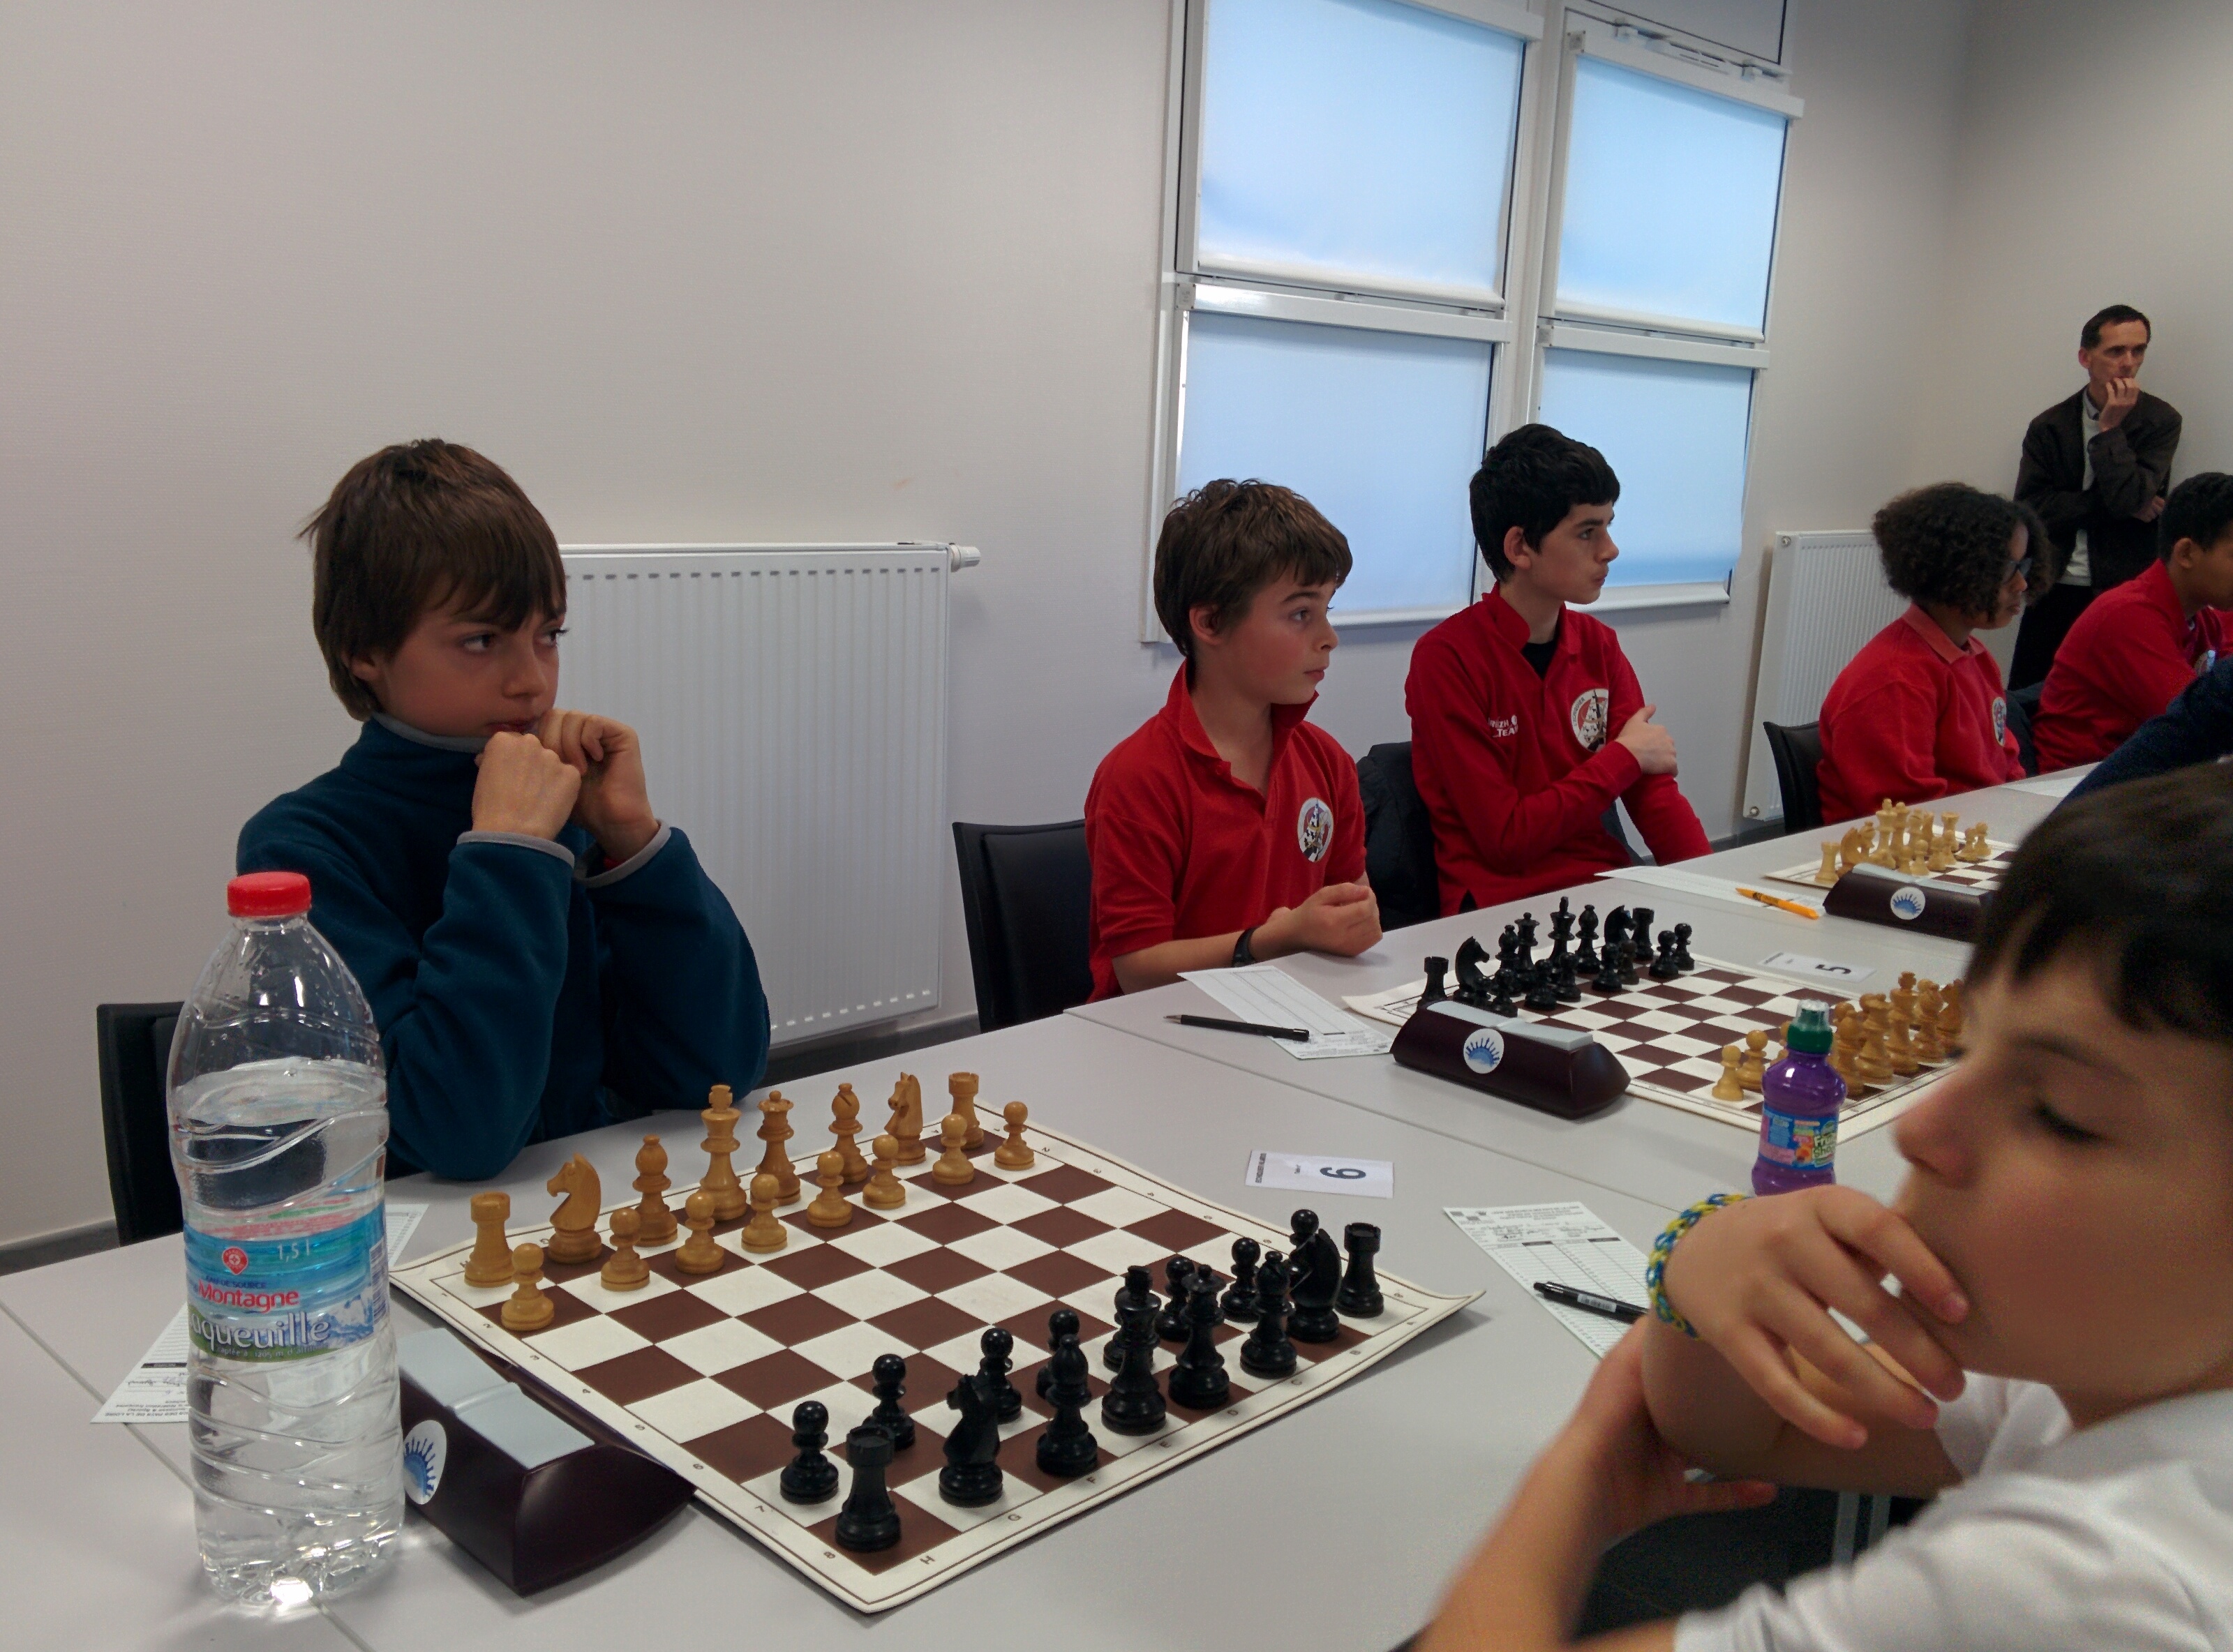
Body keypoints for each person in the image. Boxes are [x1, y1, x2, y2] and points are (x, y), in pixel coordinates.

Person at [1417, 764, 2233, 1651]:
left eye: (2058, 1113)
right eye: (1967, 1050)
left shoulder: (2080, 1585)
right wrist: (1694, 1273)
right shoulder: (2098, 1373)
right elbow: (1740, 1433)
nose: (1918, 1127)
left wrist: (1579, 1471)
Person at [239, 440, 770, 1180]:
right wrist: (507, 854)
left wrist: (637, 849)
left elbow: (714, 1073)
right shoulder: (304, 845)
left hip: (582, 1202)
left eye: (548, 636)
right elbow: (456, 1134)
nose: (532, 682)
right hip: (427, 1232)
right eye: (482, 640)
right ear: (365, 650)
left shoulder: (559, 802)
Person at [1084, 479, 1379, 998]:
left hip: (1293, 1013)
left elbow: (1351, 904)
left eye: (1327, 610)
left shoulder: (1327, 761)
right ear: (1211, 622)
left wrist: (1353, 922)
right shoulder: (1139, 777)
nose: (1329, 638)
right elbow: (1138, 969)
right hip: (1160, 1029)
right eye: (1300, 614)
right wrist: (1270, 941)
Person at [1406, 425, 1708, 914]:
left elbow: (1653, 796)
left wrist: (1713, 889)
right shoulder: (1446, 659)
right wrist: (1625, 757)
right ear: (1520, 548)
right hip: (1500, 909)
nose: (1610, 549)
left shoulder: (1599, 646)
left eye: (1608, 526)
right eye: (1588, 532)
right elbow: (1505, 839)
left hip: (1600, 891)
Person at [1814, 483, 2047, 826]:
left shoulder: (1976, 656)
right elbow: (1906, 816)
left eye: (2022, 566)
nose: (2021, 584)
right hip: (1905, 847)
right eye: (2005, 569)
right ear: (1954, 571)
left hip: (1970, 831)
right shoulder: (1896, 680)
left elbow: (2005, 762)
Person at [2008, 303, 2182, 691]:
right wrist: (2123, 505)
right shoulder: (2050, 425)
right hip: (2055, 582)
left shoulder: (2160, 421)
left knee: (2109, 697)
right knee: (2032, 694)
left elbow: (2128, 498)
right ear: (2086, 358)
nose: (2129, 363)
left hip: (2121, 584)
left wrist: (2110, 430)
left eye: (2138, 350)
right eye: (2116, 351)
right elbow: (2032, 508)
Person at [2032, 471, 2233, 772]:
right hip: (2077, 786)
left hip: (2141, 781)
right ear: (2186, 553)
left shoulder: (2204, 619)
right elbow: (2202, 722)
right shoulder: (2129, 617)